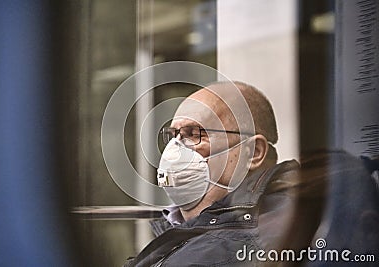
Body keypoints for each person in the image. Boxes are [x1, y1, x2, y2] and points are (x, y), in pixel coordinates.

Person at [125, 81, 300, 266]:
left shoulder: (254, 237)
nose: (174, 149)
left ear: (253, 152)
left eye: (193, 134)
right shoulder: (192, 231)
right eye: (172, 135)